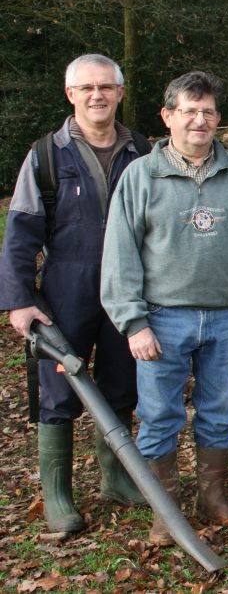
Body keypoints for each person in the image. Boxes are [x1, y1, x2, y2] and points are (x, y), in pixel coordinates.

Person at [101, 71, 228, 545]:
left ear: (218, 119)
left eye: (208, 112)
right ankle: (167, 510)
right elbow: (120, 254)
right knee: (159, 415)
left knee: (219, 411)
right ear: (168, 116)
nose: (200, 120)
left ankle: (212, 497)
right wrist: (133, 322)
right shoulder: (141, 176)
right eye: (189, 111)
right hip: (161, 318)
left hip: (224, 315)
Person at [0, 54, 150, 534]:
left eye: (106, 87)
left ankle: (115, 478)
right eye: (86, 88)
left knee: (121, 381)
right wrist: (19, 300)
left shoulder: (142, 151)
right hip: (67, 286)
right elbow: (20, 232)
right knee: (58, 389)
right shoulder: (46, 155)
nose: (97, 95)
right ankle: (58, 495)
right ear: (71, 94)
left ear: (120, 92)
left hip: (127, 288)